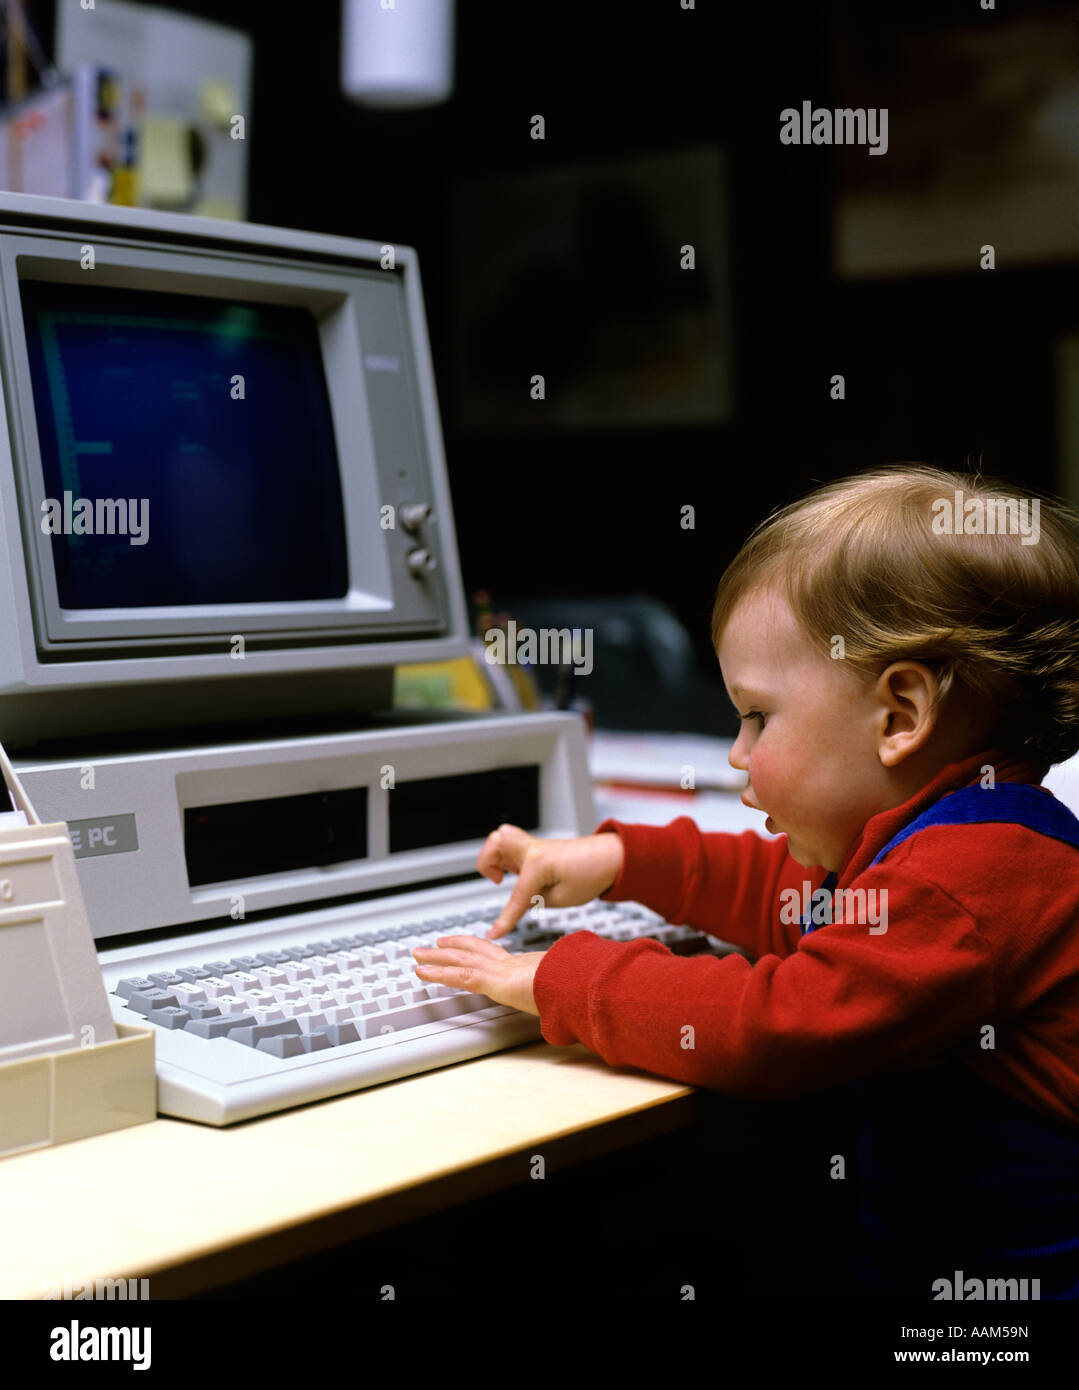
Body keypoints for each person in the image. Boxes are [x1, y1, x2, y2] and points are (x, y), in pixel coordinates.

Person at [413, 463, 1079, 1298]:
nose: (736, 752)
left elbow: (776, 1027)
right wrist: (622, 861)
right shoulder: (957, 839)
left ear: (899, 717)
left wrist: (556, 975)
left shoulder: (967, 883)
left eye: (757, 716)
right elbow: (801, 899)